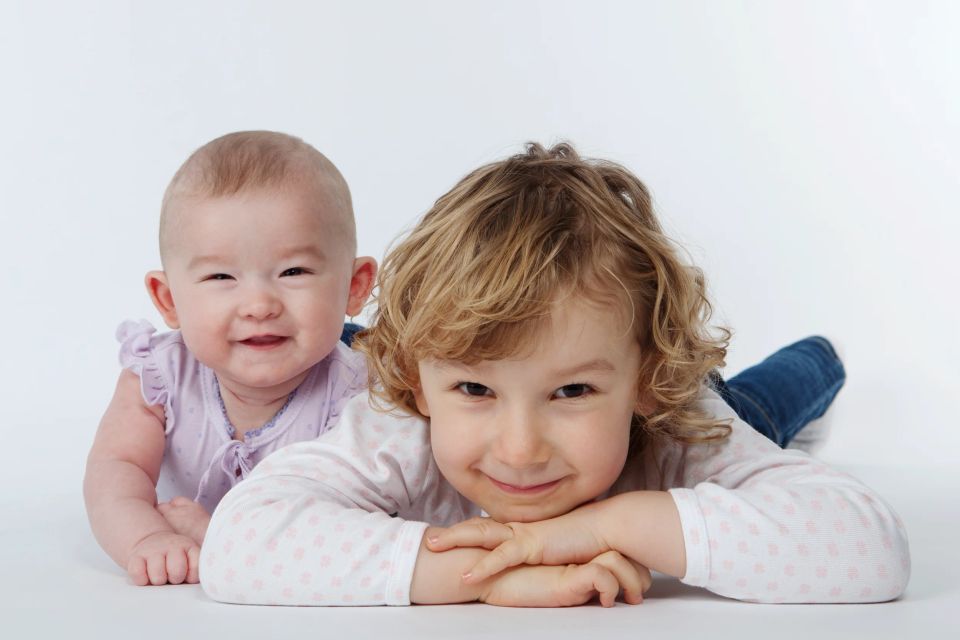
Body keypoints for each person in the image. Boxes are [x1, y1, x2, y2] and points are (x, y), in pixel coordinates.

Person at [198, 142, 909, 606]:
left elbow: (870, 549)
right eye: (475, 390)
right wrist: (491, 576)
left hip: (711, 404)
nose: (519, 448)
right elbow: (238, 545)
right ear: (417, 381)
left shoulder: (674, 420)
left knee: (760, 403)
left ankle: (820, 358)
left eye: (571, 391)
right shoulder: (398, 426)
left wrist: (611, 525)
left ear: (644, 379)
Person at [83, 131, 377, 587]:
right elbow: (113, 475)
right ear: (169, 300)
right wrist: (146, 538)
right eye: (221, 276)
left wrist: (217, 536)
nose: (259, 304)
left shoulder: (359, 394)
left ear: (354, 286)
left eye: (293, 271)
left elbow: (348, 531)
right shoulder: (159, 377)